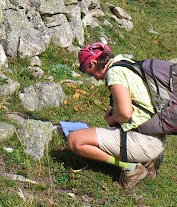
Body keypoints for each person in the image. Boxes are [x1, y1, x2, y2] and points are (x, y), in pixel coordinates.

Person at [67, 42, 165, 189]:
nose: (94, 78)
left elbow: (125, 114)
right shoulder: (126, 64)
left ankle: (131, 168)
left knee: (75, 140)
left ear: (93, 62)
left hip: (144, 142)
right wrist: (115, 112)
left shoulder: (114, 74)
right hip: (155, 136)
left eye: (90, 72)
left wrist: (112, 119)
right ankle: (149, 160)